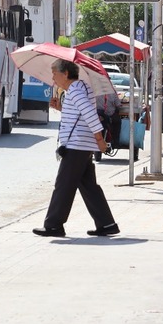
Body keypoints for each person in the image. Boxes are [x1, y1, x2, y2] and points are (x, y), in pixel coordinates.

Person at [34, 58, 119, 238]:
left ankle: (53, 225)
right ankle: (107, 224)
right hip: (81, 144)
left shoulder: (75, 90)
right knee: (89, 186)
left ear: (65, 73)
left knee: (63, 185)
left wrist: (99, 139)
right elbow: (79, 114)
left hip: (77, 145)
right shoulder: (78, 89)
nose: (53, 77)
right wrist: (62, 107)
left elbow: (89, 113)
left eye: (55, 73)